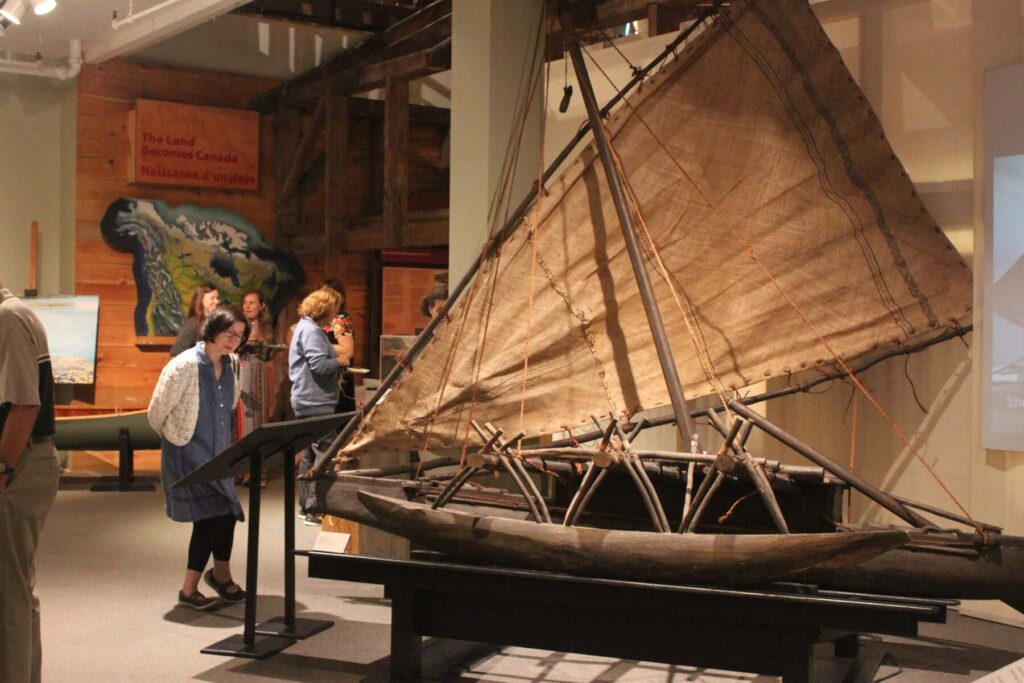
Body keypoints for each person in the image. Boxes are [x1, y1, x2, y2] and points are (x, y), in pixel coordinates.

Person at [148, 305, 249, 609]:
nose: (234, 340)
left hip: (218, 451)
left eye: (240, 336)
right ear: (214, 328)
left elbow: (230, 406)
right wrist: (178, 439)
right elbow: (156, 413)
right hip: (187, 452)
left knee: (226, 513)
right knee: (209, 516)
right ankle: (190, 588)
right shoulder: (184, 365)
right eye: (229, 332)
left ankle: (220, 575)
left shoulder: (232, 365)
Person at [0, 283, 61, 683]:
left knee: (7, 596)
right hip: (22, 462)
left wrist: (2, 466)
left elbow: (24, 404)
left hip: (19, 464)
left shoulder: (7, 318)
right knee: (17, 590)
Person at [289, 286, 347, 525]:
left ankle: (307, 506)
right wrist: (340, 360)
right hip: (314, 402)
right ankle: (315, 508)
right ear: (324, 308)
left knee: (310, 455)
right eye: (334, 309)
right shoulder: (311, 331)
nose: (336, 313)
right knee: (325, 454)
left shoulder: (306, 327)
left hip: (309, 400)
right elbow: (319, 366)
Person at [322, 278, 355, 413]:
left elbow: (348, 351)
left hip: (338, 379)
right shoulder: (326, 318)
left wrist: (319, 346)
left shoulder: (340, 319)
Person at [170, 284, 220, 357]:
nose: (217, 301)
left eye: (217, 298)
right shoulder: (192, 324)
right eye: (212, 298)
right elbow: (176, 351)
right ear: (201, 299)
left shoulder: (215, 323)